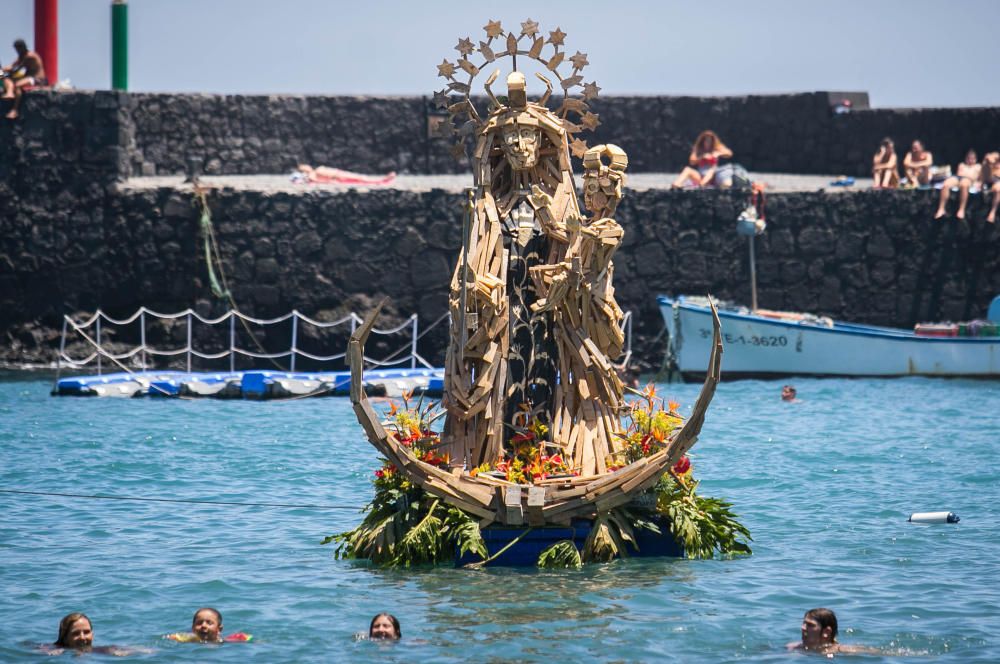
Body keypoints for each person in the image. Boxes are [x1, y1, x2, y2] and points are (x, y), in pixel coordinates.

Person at [42, 613, 145, 656]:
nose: (82, 637)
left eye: (86, 632)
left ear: (93, 634)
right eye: (76, 633)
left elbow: (141, 650)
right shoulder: (53, 651)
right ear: (64, 637)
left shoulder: (101, 650)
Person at [787, 608, 880, 655]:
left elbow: (880, 653)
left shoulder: (842, 650)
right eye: (804, 623)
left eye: (810, 625)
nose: (803, 628)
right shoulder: (793, 647)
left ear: (826, 632)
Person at [2, 38, 47, 120]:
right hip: (28, 78)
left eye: (18, 49)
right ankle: (10, 93)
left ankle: (15, 110)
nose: (17, 51)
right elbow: (12, 66)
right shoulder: (21, 56)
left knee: (18, 85)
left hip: (37, 79)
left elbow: (15, 69)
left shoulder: (30, 56)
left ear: (22, 47)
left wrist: (3, 71)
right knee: (6, 78)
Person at [934, 149, 981, 220]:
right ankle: (941, 208)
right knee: (946, 184)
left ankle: (961, 209)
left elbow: (980, 178)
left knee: (964, 184)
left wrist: (979, 183)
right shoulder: (962, 165)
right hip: (958, 178)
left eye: (972, 159)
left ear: (976, 159)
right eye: (968, 158)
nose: (970, 160)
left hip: (968, 180)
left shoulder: (978, 166)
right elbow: (959, 174)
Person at [165, 607, 252, 643]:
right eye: (199, 623)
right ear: (193, 628)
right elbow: (167, 639)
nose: (203, 625)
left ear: (219, 629)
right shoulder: (188, 638)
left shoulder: (229, 641)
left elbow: (250, 639)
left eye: (209, 623)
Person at [983, 151, 1000, 224]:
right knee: (998, 187)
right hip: (992, 183)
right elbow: (988, 178)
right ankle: (992, 212)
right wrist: (990, 162)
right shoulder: (990, 159)